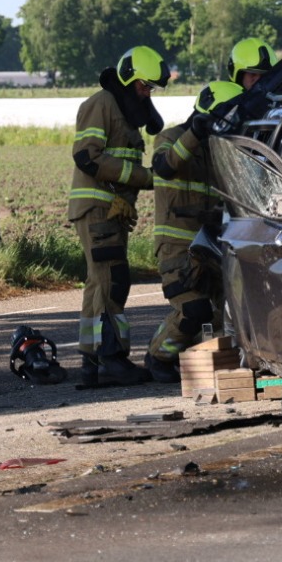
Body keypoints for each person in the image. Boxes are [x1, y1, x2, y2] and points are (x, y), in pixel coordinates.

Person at [67, 45, 167, 387]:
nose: (147, 92)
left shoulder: (123, 110)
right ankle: (112, 359)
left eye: (150, 88)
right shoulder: (102, 104)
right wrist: (146, 178)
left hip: (110, 210)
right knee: (112, 281)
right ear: (128, 78)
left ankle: (92, 362)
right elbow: (87, 157)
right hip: (97, 207)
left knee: (100, 283)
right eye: (143, 85)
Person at [145, 79, 245, 382]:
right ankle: (159, 356)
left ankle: (201, 362)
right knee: (194, 310)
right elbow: (164, 166)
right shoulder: (171, 137)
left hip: (211, 248)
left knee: (229, 313)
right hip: (177, 249)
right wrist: (196, 132)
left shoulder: (217, 151)